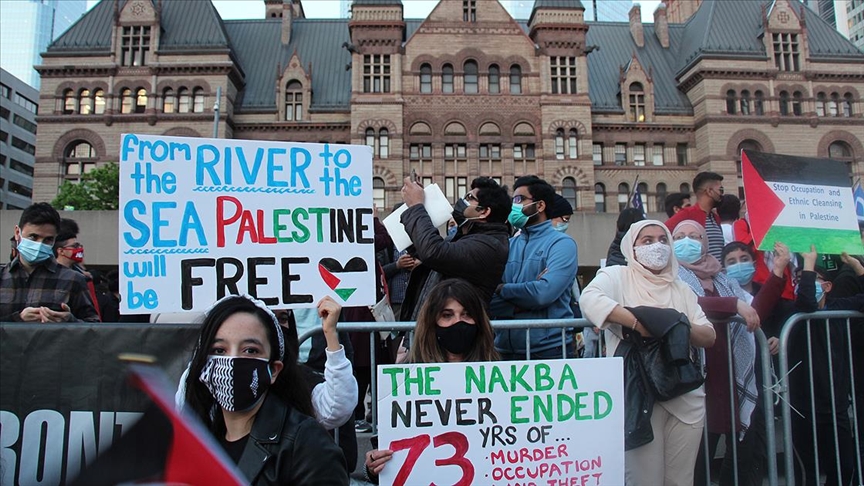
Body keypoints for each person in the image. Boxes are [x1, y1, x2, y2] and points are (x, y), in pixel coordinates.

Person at [579, 220, 715, 486]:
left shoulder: (681, 288)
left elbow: (708, 335)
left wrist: (676, 326)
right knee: (643, 478)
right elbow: (590, 299)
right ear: (632, 246)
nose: (657, 246)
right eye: (647, 240)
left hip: (685, 398)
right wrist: (640, 324)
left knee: (681, 480)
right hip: (638, 395)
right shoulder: (617, 276)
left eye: (663, 240)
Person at [182, 294, 349, 485]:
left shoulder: (306, 443)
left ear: (274, 370)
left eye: (250, 350)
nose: (233, 361)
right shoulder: (200, 444)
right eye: (220, 350)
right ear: (203, 365)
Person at [363, 279, 499, 483]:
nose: (458, 322)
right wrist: (373, 467)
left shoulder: (500, 377)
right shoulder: (406, 379)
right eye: (447, 315)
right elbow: (389, 452)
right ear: (432, 321)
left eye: (467, 314)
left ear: (479, 321)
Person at [670, 220, 766, 486]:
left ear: (705, 242)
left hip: (729, 372)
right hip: (695, 376)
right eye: (679, 236)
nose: (686, 241)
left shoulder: (723, 279)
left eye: (693, 236)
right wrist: (734, 304)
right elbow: (687, 304)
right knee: (698, 456)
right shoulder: (668, 276)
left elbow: (754, 313)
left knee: (740, 455)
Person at [786, 246, 861, 486]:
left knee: (844, 467)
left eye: (808, 279)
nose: (802, 284)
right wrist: (808, 266)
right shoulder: (797, 312)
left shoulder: (838, 307)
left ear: (827, 286)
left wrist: (857, 266)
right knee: (807, 472)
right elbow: (807, 302)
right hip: (804, 407)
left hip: (835, 405)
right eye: (798, 280)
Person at [491, 176, 578, 359]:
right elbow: (487, 299)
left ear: (540, 206)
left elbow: (544, 293)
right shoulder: (508, 245)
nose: (514, 205)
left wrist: (502, 289)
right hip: (504, 351)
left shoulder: (562, 244)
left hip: (550, 351)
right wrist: (522, 301)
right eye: (513, 200)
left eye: (519, 199)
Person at [398, 176, 510, 320]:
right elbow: (424, 250)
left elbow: (433, 252)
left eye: (469, 197)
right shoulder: (465, 237)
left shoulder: (489, 245)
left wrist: (416, 206)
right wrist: (419, 204)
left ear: (483, 211)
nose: (462, 201)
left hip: (457, 330)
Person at [0, 203, 99, 322]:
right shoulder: (2, 276)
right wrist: (17, 319)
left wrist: (70, 321)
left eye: (48, 239)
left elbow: (94, 328)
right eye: (33, 237)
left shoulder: (73, 280)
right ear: (17, 233)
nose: (39, 244)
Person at [665, 172, 725, 261]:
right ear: (709, 191)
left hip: (718, 272)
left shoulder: (715, 217)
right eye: (720, 190)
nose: (722, 194)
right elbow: (664, 231)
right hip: (697, 272)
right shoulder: (687, 214)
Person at [54, 218, 101, 319]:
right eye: (75, 246)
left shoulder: (83, 277)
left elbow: (92, 317)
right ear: (61, 251)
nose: (79, 249)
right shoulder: (48, 275)